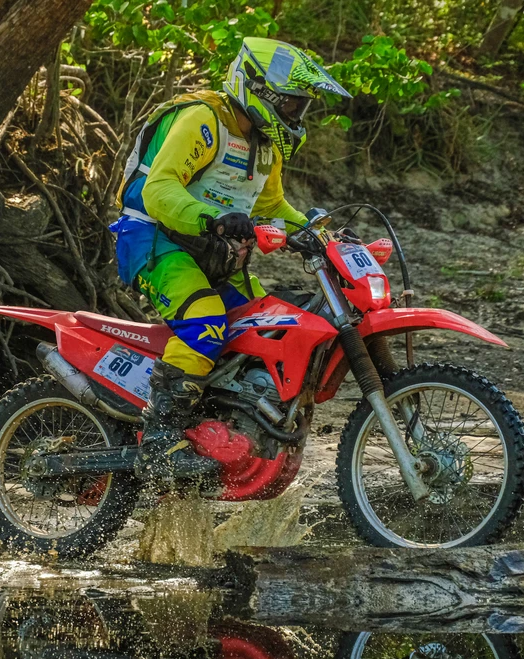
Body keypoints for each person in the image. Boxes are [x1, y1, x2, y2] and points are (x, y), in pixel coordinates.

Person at [110, 37, 351, 481]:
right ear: (261, 92)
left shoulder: (264, 143)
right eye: (294, 105)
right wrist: (216, 218)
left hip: (214, 252)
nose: (298, 116)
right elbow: (158, 191)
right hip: (155, 240)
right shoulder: (203, 120)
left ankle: (220, 428)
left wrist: (323, 234)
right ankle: (161, 443)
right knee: (205, 320)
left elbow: (271, 206)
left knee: (270, 327)